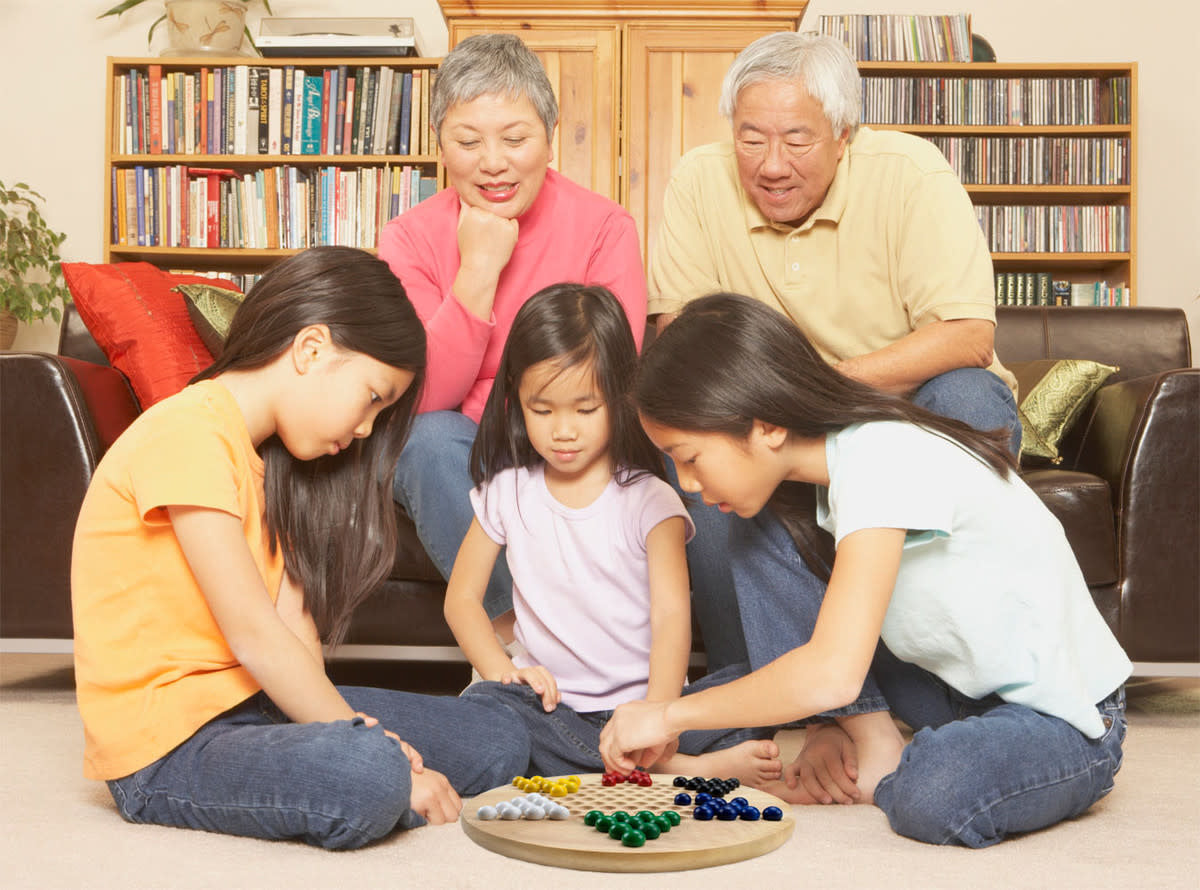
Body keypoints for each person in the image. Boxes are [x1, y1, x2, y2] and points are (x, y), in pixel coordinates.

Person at [598, 293, 1131, 848]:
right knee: (754, 553)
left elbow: (831, 671)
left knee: (935, 791)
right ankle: (863, 736)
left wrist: (668, 715)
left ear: (767, 426)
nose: (687, 484)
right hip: (947, 687)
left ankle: (890, 761)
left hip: (1065, 717)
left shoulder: (882, 456)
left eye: (689, 457)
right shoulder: (824, 477)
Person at [71, 247, 530, 850]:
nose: (367, 428)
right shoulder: (185, 433)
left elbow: (294, 631)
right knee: (369, 772)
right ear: (311, 349)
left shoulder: (267, 464)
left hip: (255, 708)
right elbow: (255, 634)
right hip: (169, 748)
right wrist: (377, 751)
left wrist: (359, 730)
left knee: (496, 739)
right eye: (372, 397)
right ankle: (369, 767)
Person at [647, 31, 1021, 673]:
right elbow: (679, 339)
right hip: (772, 422)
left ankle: (964, 671)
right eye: (751, 138)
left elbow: (967, 335)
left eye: (797, 139)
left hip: (890, 406)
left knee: (968, 393)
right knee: (696, 433)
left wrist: (824, 390)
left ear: (844, 134)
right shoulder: (698, 179)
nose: (770, 164)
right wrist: (773, 409)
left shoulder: (912, 175)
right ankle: (756, 688)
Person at [446, 283, 781, 784]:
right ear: (516, 398)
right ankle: (678, 770)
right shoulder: (505, 492)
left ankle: (658, 755)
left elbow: (671, 618)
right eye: (543, 410)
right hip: (552, 711)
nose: (564, 431)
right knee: (488, 713)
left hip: (646, 706)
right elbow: (461, 600)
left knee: (751, 685)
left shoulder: (650, 501)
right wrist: (503, 672)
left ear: (622, 398)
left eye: (585, 410)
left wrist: (658, 716)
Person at [378, 33, 647, 648]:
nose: (492, 162)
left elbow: (608, 377)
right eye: (468, 142)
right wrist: (477, 272)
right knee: (423, 440)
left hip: (570, 431)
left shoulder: (605, 226)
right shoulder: (408, 239)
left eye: (515, 139)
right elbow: (424, 398)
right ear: (440, 145)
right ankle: (519, 647)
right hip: (463, 447)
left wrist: (494, 397)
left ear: (549, 139)